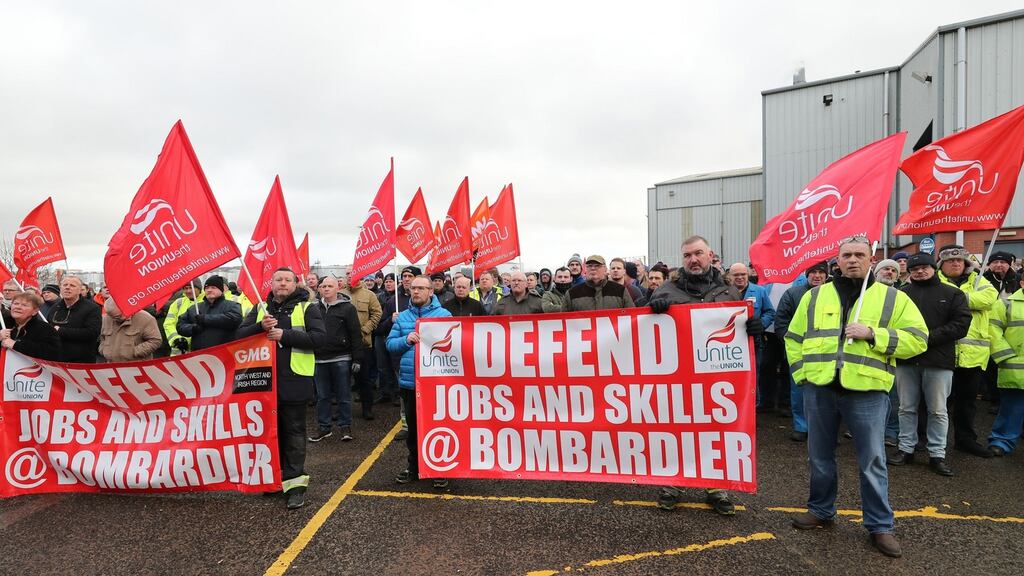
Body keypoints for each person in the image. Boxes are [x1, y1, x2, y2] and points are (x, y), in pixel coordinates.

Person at [785, 236, 928, 558]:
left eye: (859, 255)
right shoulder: (814, 296)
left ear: (871, 259)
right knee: (819, 456)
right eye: (846, 255)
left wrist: (874, 334)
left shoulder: (893, 298)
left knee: (872, 460)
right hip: (820, 387)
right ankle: (820, 509)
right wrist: (801, 375)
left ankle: (879, 525)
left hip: (867, 391)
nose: (852, 260)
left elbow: (918, 339)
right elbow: (793, 338)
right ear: (837, 260)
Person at [647, 236, 757, 517]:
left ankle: (716, 486)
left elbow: (738, 329)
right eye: (687, 255)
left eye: (698, 253)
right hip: (679, 375)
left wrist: (752, 328)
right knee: (678, 430)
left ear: (710, 255)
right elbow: (646, 332)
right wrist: (653, 310)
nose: (693, 259)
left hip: (716, 375)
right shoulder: (667, 290)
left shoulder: (728, 292)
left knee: (716, 430)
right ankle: (674, 483)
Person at [237, 267, 326, 510]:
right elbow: (239, 336)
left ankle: (295, 486)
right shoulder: (260, 308)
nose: (283, 283)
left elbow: (319, 339)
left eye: (288, 280)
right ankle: (275, 479)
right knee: (270, 433)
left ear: (296, 284)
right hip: (263, 383)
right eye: (279, 280)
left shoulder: (307, 308)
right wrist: (259, 327)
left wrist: (284, 335)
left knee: (294, 433)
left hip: (295, 380)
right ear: (272, 283)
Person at [888, 253, 971, 476]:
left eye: (924, 267)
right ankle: (906, 448)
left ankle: (937, 454)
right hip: (906, 360)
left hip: (938, 361)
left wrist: (926, 339)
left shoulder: (952, 293)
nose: (920, 271)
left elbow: (961, 324)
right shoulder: (901, 294)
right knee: (906, 408)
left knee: (938, 410)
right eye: (915, 269)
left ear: (934, 268)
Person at [386, 275, 453, 488]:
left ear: (431, 291)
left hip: (436, 384)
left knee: (438, 428)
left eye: (421, 288)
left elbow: (456, 345)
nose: (415, 292)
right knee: (413, 430)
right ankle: (414, 467)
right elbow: (390, 344)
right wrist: (406, 340)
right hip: (410, 383)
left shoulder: (444, 315)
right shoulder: (403, 317)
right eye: (413, 288)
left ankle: (440, 469)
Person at [937, 244, 999, 458]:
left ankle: (965, 440)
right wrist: (968, 298)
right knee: (936, 404)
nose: (955, 263)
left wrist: (953, 298)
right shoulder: (934, 280)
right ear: (941, 264)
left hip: (973, 355)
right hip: (942, 353)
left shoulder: (980, 279)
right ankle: (929, 442)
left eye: (959, 260)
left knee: (967, 403)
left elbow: (989, 299)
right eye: (950, 260)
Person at [775, 262, 828, 441]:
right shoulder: (792, 294)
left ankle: (824, 428)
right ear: (807, 274)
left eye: (821, 272)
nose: (817, 276)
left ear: (826, 275)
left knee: (826, 394)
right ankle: (801, 426)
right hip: (800, 353)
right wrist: (792, 345)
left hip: (826, 354)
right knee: (799, 392)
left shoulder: (835, 294)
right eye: (813, 272)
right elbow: (781, 321)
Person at [309, 276, 364, 443]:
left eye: (330, 286)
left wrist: (357, 358)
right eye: (323, 286)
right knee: (322, 396)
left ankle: (345, 426)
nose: (326, 289)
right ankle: (324, 427)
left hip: (341, 358)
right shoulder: (313, 308)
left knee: (344, 395)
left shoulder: (348, 308)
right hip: (319, 359)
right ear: (319, 289)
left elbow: (355, 334)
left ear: (337, 288)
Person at [727, 262, 776, 412]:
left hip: (753, 343)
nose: (740, 277)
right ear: (729, 276)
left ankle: (752, 410)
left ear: (748, 275)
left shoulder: (759, 291)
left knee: (753, 376)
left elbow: (770, 312)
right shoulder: (723, 292)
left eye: (743, 274)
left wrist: (761, 324)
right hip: (729, 345)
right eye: (736, 275)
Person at [988, 272, 1024, 456]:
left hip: (1015, 367)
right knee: (1012, 408)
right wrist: (1006, 357)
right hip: (1015, 368)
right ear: (1022, 283)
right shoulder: (1006, 304)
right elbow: (992, 329)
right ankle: (1001, 441)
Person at [343, 273, 383, 417]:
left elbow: (377, 313)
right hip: (342, 345)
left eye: (352, 273)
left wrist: (365, 330)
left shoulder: (369, 295)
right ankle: (342, 411)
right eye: (347, 274)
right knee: (342, 381)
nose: (350, 276)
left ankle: (367, 409)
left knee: (364, 379)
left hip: (363, 343)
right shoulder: (339, 294)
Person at [175, 275, 243, 351]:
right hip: (199, 354)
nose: (209, 290)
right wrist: (193, 328)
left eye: (213, 287)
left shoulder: (232, 305)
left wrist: (205, 319)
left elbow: (235, 319)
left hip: (224, 353)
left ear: (221, 290)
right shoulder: (194, 308)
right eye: (207, 288)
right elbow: (180, 326)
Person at [46, 276, 102, 363]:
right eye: (65, 285)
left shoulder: (92, 308)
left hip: (81, 362)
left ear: (80, 290)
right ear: (60, 288)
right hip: (56, 359)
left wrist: (61, 331)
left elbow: (92, 333)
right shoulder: (55, 308)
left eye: (72, 285)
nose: (67, 287)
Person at [0, 291, 62, 361]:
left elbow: (52, 353)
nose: (18, 307)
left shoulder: (45, 329)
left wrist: (15, 344)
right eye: (16, 303)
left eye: (24, 305)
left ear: (35, 311)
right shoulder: (3, 323)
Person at [99, 298, 163, 362]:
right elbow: (102, 338)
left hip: (136, 364)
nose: (117, 319)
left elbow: (155, 340)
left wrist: (133, 352)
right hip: (112, 364)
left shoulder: (145, 318)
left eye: (119, 315)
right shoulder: (105, 319)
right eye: (114, 317)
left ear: (125, 307)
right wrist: (104, 350)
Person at [562, 256, 634, 312]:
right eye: (589, 266)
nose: (593, 268)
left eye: (597, 266)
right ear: (585, 269)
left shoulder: (620, 291)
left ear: (605, 269)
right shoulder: (572, 293)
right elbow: (563, 320)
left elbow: (632, 316)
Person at [164, 280, 201, 356]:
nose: (188, 291)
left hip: (199, 348)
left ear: (199, 288)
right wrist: (176, 339)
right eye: (186, 288)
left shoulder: (207, 301)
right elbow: (168, 323)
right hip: (179, 349)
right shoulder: (178, 303)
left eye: (191, 288)